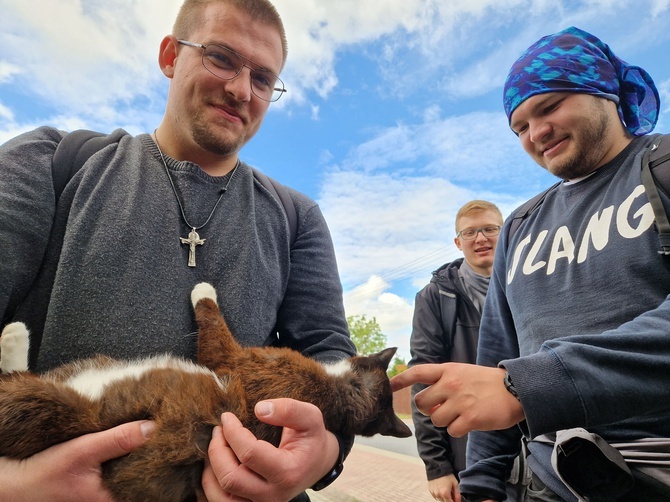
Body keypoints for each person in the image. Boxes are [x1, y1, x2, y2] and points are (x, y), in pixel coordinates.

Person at [0, 0, 356, 501]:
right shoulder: (50, 164)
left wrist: (322, 453)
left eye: (262, 78)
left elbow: (330, 358)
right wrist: (11, 485)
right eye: (222, 58)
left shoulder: (297, 218)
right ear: (170, 56)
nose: (240, 89)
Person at [391, 26, 670, 501]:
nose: (536, 133)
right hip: (549, 483)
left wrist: (529, 385)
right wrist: (481, 484)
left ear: (602, 90)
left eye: (550, 106)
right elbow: (496, 360)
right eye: (519, 126)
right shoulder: (520, 227)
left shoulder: (661, 166)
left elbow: (510, 381)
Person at [409, 200, 505, 502]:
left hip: (536, 451)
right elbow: (424, 380)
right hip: (470, 454)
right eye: (470, 232)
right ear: (457, 242)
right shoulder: (435, 297)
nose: (480, 239)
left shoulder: (528, 282)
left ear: (505, 234)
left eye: (490, 229)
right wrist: (437, 467)